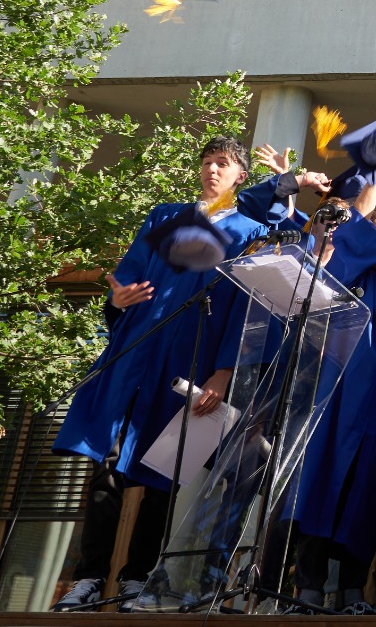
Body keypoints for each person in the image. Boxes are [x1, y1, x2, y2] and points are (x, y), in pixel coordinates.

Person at [50, 138, 313, 611]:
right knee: (106, 466)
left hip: (187, 363)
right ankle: (88, 577)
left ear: (239, 177)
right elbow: (128, 276)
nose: (213, 169)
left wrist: (223, 372)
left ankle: (135, 578)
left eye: (225, 164)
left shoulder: (249, 231)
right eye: (208, 162)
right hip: (136, 355)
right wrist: (116, 299)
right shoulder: (165, 216)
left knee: (160, 473)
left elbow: (243, 308)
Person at [286, 195, 376, 614]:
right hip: (333, 407)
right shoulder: (342, 279)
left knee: (365, 499)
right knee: (318, 489)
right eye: (375, 230)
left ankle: (350, 592)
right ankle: (307, 589)